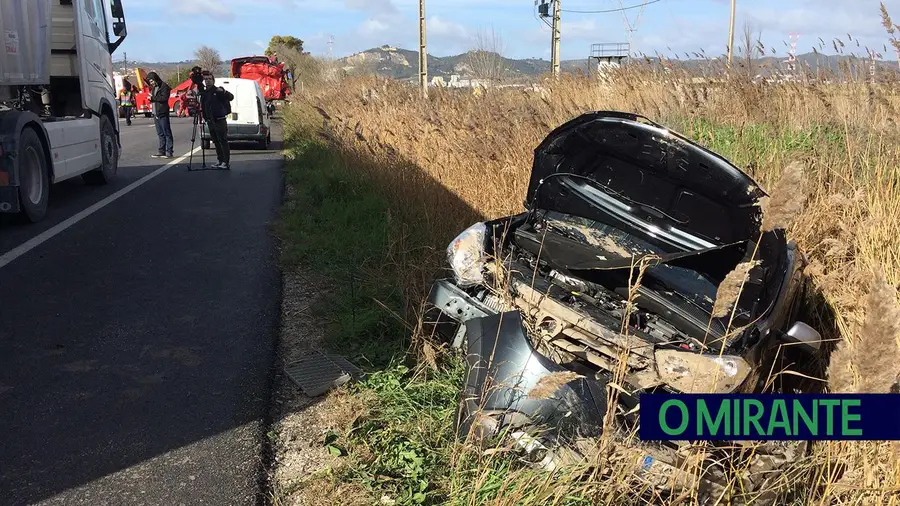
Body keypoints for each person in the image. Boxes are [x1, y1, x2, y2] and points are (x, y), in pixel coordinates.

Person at [198, 71, 234, 169]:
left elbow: (231, 97)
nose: (208, 81)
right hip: (210, 120)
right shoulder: (205, 92)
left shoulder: (217, 91)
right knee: (216, 141)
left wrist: (223, 92)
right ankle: (220, 160)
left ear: (213, 80)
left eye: (210, 79)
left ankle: (226, 162)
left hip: (219, 119)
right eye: (206, 79)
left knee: (223, 140)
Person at [146, 71, 173, 159]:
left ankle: (169, 151)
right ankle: (161, 151)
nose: (151, 83)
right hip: (155, 112)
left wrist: (153, 98)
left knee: (166, 132)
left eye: (152, 81)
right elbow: (156, 99)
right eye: (150, 82)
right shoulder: (154, 88)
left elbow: (164, 98)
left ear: (155, 79)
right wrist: (151, 99)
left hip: (162, 112)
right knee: (160, 133)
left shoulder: (164, 86)